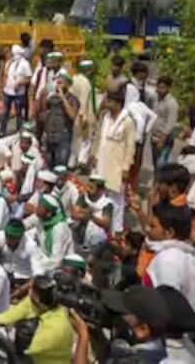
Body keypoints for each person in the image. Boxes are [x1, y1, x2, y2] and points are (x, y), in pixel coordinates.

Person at [0, 275, 74, 364]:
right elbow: (13, 314)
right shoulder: (36, 304)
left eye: (31, 289)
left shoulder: (57, 327)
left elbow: (28, 352)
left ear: (37, 297)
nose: (29, 290)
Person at [90, 90, 136, 235]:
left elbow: (130, 146)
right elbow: (98, 137)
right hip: (102, 161)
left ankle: (117, 228)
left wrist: (126, 166)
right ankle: (101, 224)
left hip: (117, 164)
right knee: (101, 194)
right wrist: (94, 154)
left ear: (118, 104)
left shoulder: (127, 122)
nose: (107, 104)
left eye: (110, 102)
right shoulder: (105, 117)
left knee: (117, 198)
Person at [41, 68, 79, 170]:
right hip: (51, 135)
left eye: (61, 82)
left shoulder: (73, 99)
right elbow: (44, 111)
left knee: (60, 165)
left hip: (63, 136)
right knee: (49, 164)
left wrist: (62, 97)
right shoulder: (52, 98)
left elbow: (72, 115)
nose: (59, 85)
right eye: (58, 82)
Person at [31, 194, 75, 274]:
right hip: (44, 261)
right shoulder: (40, 220)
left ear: (48, 213)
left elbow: (56, 261)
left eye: (40, 207)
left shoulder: (59, 229)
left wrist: (36, 265)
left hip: (60, 269)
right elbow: (28, 230)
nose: (37, 208)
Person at [71, 175, 113, 253]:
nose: (88, 189)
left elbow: (105, 223)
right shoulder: (84, 197)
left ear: (100, 190)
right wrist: (85, 216)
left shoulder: (107, 203)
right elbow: (74, 214)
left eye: (92, 188)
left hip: (98, 238)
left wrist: (91, 216)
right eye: (88, 186)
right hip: (81, 234)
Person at [0, 219, 35, 291]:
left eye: (12, 237)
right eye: (7, 236)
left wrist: (21, 290)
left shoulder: (31, 246)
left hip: (23, 277)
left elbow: (37, 274)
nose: (8, 239)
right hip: (3, 274)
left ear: (20, 237)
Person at [70, 59, 98, 169]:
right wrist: (83, 116)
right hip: (84, 114)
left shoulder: (74, 79)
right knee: (86, 139)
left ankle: (71, 162)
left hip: (73, 113)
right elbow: (84, 101)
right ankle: (82, 161)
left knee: (75, 138)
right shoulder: (86, 83)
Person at [0, 44, 32, 137]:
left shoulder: (25, 63)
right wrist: (2, 89)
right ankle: (2, 131)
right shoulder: (9, 63)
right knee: (5, 112)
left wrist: (20, 83)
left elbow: (29, 78)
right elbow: (5, 76)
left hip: (19, 93)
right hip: (8, 91)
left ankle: (19, 132)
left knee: (19, 113)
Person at [151, 75, 179, 167]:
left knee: (161, 163)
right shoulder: (156, 99)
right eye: (158, 87)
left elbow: (171, 123)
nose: (159, 89)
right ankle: (156, 179)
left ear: (168, 88)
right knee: (155, 162)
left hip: (164, 139)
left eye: (163, 88)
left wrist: (162, 139)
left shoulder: (171, 103)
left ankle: (160, 180)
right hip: (154, 137)